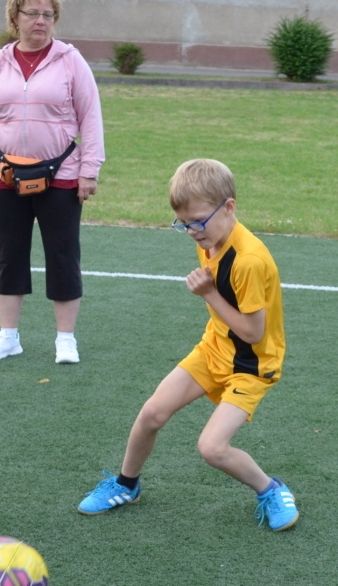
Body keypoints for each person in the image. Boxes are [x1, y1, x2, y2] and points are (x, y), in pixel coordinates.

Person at [77, 159, 299, 532]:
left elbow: (253, 334)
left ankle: (271, 489)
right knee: (152, 414)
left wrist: (209, 294)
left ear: (228, 207)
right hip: (214, 348)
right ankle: (126, 485)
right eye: (183, 223)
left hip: (252, 364)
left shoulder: (249, 261)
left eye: (197, 221)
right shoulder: (210, 236)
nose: (191, 231)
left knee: (212, 448)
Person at [0, 0, 105, 365]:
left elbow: (90, 117)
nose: (41, 21)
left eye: (48, 14)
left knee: (62, 254)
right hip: (5, 175)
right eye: (33, 13)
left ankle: (65, 340)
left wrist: (88, 171)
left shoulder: (71, 60)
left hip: (61, 176)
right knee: (10, 254)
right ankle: (8, 336)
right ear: (15, 19)